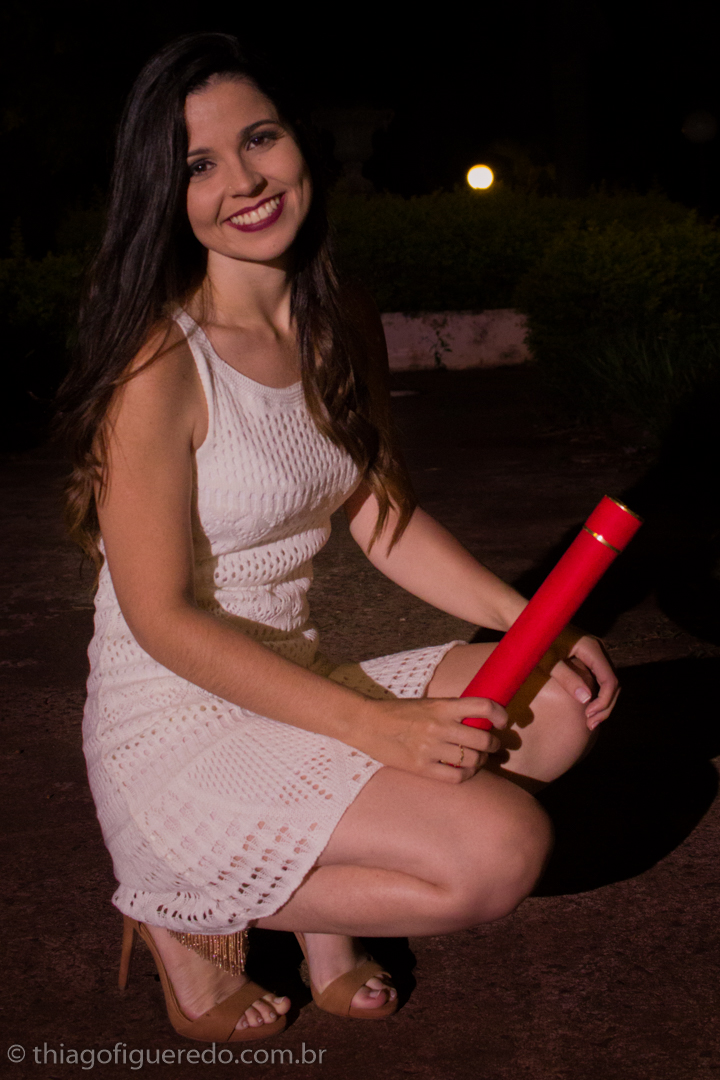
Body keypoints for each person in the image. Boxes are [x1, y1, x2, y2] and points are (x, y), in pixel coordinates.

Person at [57, 32, 619, 1044]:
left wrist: (535, 620)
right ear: (163, 193)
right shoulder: (160, 365)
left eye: (259, 139)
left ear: (298, 143)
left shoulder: (333, 319)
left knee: (560, 710)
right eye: (200, 164)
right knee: (495, 853)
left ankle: (310, 907)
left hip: (298, 673)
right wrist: (374, 730)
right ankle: (178, 899)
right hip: (182, 719)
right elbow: (163, 620)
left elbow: (377, 510)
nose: (245, 180)